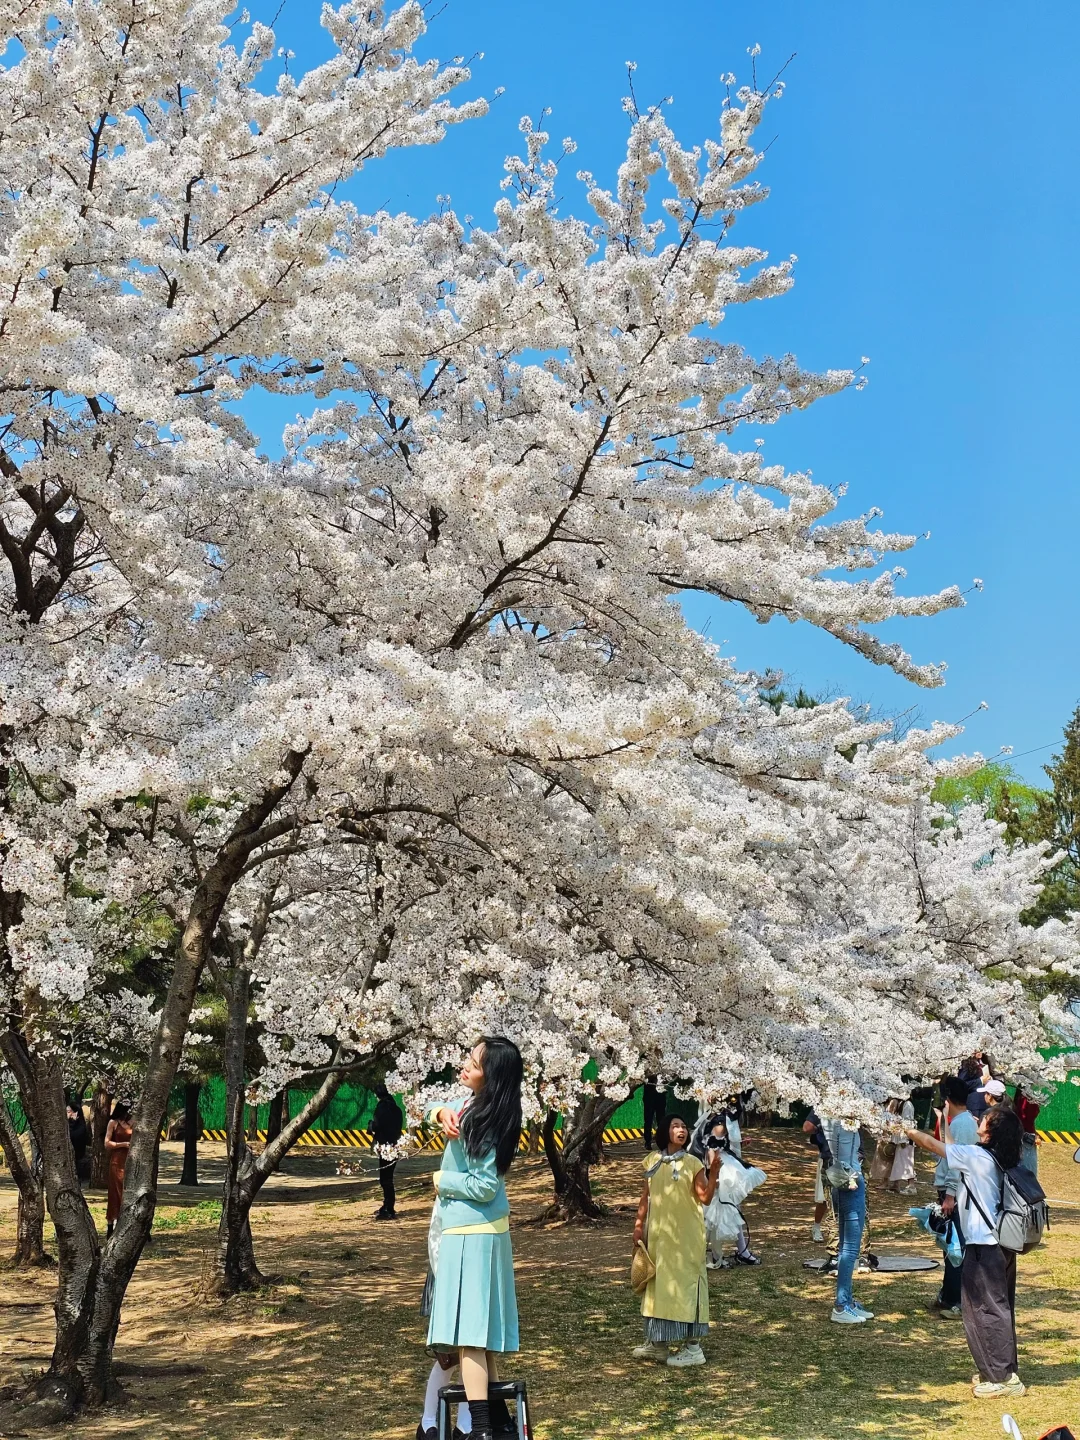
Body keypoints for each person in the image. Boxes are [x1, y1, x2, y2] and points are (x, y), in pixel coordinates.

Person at [427, 1037, 524, 1440]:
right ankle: (499, 1421)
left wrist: (440, 1180)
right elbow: (431, 1108)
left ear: (492, 1077)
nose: (465, 1066)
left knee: (468, 1340)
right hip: (481, 1232)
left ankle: (482, 1428)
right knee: (479, 1339)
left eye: (474, 1063)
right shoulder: (480, 1108)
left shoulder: (483, 1120)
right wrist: (439, 1112)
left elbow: (484, 1185)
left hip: (471, 1234)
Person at [906, 1103, 1028, 1398]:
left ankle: (1001, 1378)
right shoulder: (997, 1157)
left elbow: (933, 1146)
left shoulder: (976, 1156)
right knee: (999, 1305)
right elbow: (951, 1147)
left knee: (985, 1308)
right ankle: (1002, 1369)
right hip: (1001, 1243)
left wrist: (904, 1129)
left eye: (987, 1117)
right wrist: (945, 1121)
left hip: (982, 1246)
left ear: (992, 1128)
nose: (980, 1117)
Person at [632, 1113, 720, 1366]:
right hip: (659, 1236)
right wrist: (639, 1226)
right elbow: (645, 1197)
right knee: (659, 1286)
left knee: (686, 1284)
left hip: (686, 1238)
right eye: (675, 1126)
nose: (681, 1130)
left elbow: (704, 1197)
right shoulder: (651, 1161)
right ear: (664, 1131)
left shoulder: (693, 1163)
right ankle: (657, 1345)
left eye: (683, 1126)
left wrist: (713, 1174)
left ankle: (693, 1348)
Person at [928, 1076, 980, 1318]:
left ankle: (957, 1300)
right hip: (955, 1191)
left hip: (956, 1193)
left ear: (948, 1099)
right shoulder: (960, 1122)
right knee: (951, 1244)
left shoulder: (961, 1124)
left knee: (956, 1245)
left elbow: (957, 1164)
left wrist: (949, 1194)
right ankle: (948, 1295)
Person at [689, 1113, 765, 1267]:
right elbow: (712, 1147)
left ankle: (727, 1253)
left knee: (726, 1210)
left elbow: (716, 1143)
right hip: (720, 1169)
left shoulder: (718, 1117)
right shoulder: (720, 1120)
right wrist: (713, 1175)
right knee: (714, 1214)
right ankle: (708, 1255)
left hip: (722, 1166)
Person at [822, 1116, 873, 1324]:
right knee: (850, 1249)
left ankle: (848, 1301)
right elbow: (842, 1158)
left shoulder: (840, 1120)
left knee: (848, 1248)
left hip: (849, 1181)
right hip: (849, 1184)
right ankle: (841, 1305)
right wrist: (852, 1178)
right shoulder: (842, 1123)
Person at [371, 1083, 404, 1220]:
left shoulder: (382, 1107)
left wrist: (371, 1126)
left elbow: (378, 1125)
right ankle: (387, 1205)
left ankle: (389, 1208)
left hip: (385, 1146)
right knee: (387, 1178)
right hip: (395, 1145)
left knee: (385, 1179)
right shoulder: (396, 1109)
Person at [105, 1101, 132, 1238]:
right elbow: (107, 1143)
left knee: (130, 1191)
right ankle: (111, 1223)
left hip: (131, 1161)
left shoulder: (132, 1122)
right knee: (116, 1192)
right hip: (117, 1160)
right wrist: (122, 1144)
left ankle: (131, 1223)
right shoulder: (113, 1123)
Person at [802, 1110, 830, 1244]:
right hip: (827, 1155)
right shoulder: (821, 1107)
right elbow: (807, 1126)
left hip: (847, 1155)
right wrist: (820, 1129)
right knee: (823, 1197)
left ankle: (842, 1229)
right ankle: (817, 1227)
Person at [887, 1097, 917, 1195]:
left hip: (906, 1139)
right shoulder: (900, 1105)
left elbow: (908, 1123)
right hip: (900, 1138)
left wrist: (904, 1139)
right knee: (898, 1161)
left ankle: (911, 1186)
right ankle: (896, 1184)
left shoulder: (907, 1105)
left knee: (907, 1161)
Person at [1013, 1085, 1041, 1176]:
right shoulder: (1027, 1099)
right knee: (1029, 1172)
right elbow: (1027, 1116)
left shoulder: (1021, 1096)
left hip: (1021, 1135)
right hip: (1026, 1138)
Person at [67, 1097, 90, 1183]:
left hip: (77, 1156)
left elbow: (74, 1136)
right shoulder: (67, 1124)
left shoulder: (81, 1126)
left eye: (69, 1112)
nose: (67, 1114)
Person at [643, 1077, 665, 1153]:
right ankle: (647, 1142)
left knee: (661, 1121)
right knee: (648, 1120)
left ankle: (662, 1142)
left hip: (660, 1097)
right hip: (649, 1096)